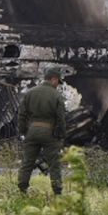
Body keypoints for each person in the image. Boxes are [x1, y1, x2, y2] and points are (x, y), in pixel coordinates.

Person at [17, 67, 67, 195]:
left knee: (27, 162)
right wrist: (61, 135)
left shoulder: (30, 93)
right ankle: (57, 191)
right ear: (54, 79)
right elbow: (61, 118)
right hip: (49, 133)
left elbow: (22, 115)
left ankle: (22, 188)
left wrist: (23, 131)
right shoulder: (57, 96)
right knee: (54, 164)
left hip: (32, 131)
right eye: (58, 82)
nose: (58, 85)